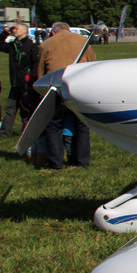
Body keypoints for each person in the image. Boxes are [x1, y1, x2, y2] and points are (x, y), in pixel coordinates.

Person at [37, 22, 95, 169]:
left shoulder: (46, 44)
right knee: (82, 126)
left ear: (53, 32)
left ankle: (56, 162)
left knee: (52, 126)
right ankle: (82, 162)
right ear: (68, 30)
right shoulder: (82, 40)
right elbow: (92, 61)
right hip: (80, 86)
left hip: (57, 87)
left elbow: (40, 71)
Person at [0, 22, 41, 139]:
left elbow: (36, 64)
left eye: (16, 29)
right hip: (15, 83)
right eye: (13, 29)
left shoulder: (31, 47)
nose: (14, 30)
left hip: (26, 84)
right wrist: (5, 32)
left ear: (24, 31)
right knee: (9, 109)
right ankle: (4, 133)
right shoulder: (13, 45)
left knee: (27, 110)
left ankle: (28, 133)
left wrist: (31, 78)